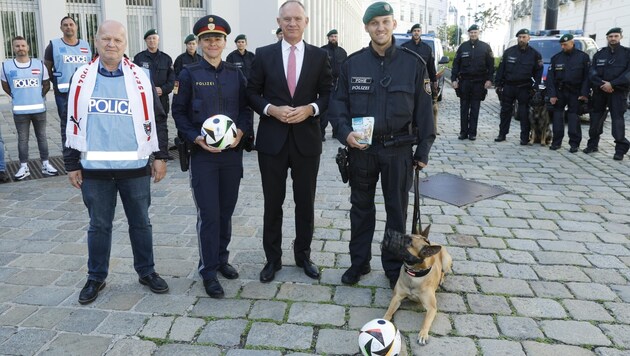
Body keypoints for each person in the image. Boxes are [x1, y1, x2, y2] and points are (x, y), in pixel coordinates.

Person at [329, 2, 435, 288]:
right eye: (374, 23)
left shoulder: (413, 63)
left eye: (385, 22)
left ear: (394, 25)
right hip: (362, 149)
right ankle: (358, 263)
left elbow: (425, 112)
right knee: (361, 208)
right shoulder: (352, 64)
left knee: (396, 212)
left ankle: (392, 267)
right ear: (366, 27)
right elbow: (337, 106)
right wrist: (344, 133)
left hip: (398, 150)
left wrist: (422, 150)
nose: (380, 27)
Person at [63, 20, 170, 305]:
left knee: (141, 223)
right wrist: (71, 163)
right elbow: (70, 120)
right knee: (99, 226)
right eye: (106, 39)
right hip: (94, 170)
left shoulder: (140, 77)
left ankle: (146, 272)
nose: (111, 44)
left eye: (117, 40)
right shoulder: (81, 77)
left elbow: (158, 118)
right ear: (96, 41)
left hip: (134, 169)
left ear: (125, 45)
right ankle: (96, 276)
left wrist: (159, 156)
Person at [247, 0, 332, 283]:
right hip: (272, 142)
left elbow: (328, 95)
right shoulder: (263, 54)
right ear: (279, 22)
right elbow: (252, 93)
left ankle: (303, 255)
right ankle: (272, 259)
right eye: (287, 19)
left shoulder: (319, 57)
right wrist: (271, 109)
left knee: (304, 202)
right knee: (273, 202)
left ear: (306, 22)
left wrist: (311, 109)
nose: (292, 23)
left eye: (297, 18)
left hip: (307, 141)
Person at [172, 15, 253, 298]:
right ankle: (207, 270)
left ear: (224, 42)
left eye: (217, 38)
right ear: (200, 43)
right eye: (207, 39)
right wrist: (195, 137)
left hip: (231, 154)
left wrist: (241, 132)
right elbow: (178, 112)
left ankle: (221, 259)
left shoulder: (235, 73)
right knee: (208, 214)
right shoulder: (189, 74)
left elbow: (245, 109)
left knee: (226, 211)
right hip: (203, 155)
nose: (213, 43)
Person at [1, 36, 58, 180]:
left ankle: (45, 164)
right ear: (13, 49)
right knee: (22, 139)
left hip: (39, 109)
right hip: (20, 111)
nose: (20, 48)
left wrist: (39, 96)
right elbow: (5, 86)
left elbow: (46, 84)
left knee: (42, 138)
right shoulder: (6, 66)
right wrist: (16, 96)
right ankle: (24, 167)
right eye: (17, 46)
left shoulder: (39, 64)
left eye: (23, 45)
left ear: (28, 47)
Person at [44, 16, 92, 147]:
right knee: (67, 124)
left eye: (71, 24)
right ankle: (69, 155)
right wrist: (54, 81)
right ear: (61, 28)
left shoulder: (85, 45)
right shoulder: (53, 45)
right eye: (65, 25)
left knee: (86, 122)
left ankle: (84, 149)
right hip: (63, 93)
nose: (68, 27)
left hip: (84, 92)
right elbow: (47, 67)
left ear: (76, 27)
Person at [584, 27, 630, 161]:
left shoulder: (627, 53)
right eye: (610, 36)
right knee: (595, 119)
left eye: (616, 36)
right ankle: (592, 144)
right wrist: (602, 84)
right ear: (607, 38)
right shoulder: (600, 54)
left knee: (617, 121)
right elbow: (592, 72)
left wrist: (612, 84)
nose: (613, 38)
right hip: (600, 91)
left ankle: (620, 150)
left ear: (621, 37)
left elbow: (628, 74)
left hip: (618, 92)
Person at [494, 28, 543, 144]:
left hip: (524, 87)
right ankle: (502, 134)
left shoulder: (535, 54)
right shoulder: (509, 52)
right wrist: (498, 84)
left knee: (524, 113)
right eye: (520, 37)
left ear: (528, 38)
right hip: (509, 86)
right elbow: (501, 69)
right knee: (505, 111)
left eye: (524, 37)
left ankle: (524, 137)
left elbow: (538, 72)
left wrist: (535, 87)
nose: (521, 39)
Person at [546, 33, 590, 152]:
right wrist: (552, 95)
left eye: (565, 44)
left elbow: (587, 77)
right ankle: (556, 142)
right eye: (561, 45)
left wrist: (584, 93)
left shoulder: (583, 57)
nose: (563, 47)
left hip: (576, 92)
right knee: (557, 118)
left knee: (573, 117)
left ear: (572, 43)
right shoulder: (556, 58)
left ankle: (574, 144)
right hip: (560, 91)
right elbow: (550, 78)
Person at [451, 24, 494, 141]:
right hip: (464, 82)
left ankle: (472, 133)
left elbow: (491, 65)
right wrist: (454, 79)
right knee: (464, 108)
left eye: (475, 32)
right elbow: (456, 64)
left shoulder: (485, 47)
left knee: (475, 108)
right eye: (471, 32)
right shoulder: (463, 47)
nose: (473, 34)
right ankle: (463, 132)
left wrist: (490, 80)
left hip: (479, 83)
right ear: (468, 33)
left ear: (479, 33)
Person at [401, 23, 439, 133]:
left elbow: (431, 66)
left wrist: (434, 81)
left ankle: (420, 127)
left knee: (422, 104)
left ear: (421, 32)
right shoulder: (405, 47)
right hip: (409, 80)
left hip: (424, 81)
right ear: (411, 33)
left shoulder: (426, 49)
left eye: (418, 30)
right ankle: (409, 126)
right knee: (409, 104)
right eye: (414, 31)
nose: (416, 32)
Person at [133, 29, 176, 116]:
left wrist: (163, 89)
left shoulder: (166, 59)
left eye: (154, 38)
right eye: (149, 38)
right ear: (145, 41)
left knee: (161, 127)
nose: (152, 41)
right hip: (145, 99)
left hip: (162, 100)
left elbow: (172, 80)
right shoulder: (139, 58)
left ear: (158, 40)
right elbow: (133, 78)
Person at [319, 29, 347, 141]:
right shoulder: (322, 51)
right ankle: (321, 134)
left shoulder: (342, 52)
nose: (333, 38)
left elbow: (346, 68)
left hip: (339, 85)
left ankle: (336, 132)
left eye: (335, 36)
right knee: (324, 112)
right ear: (328, 38)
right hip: (325, 85)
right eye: (331, 36)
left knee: (338, 109)